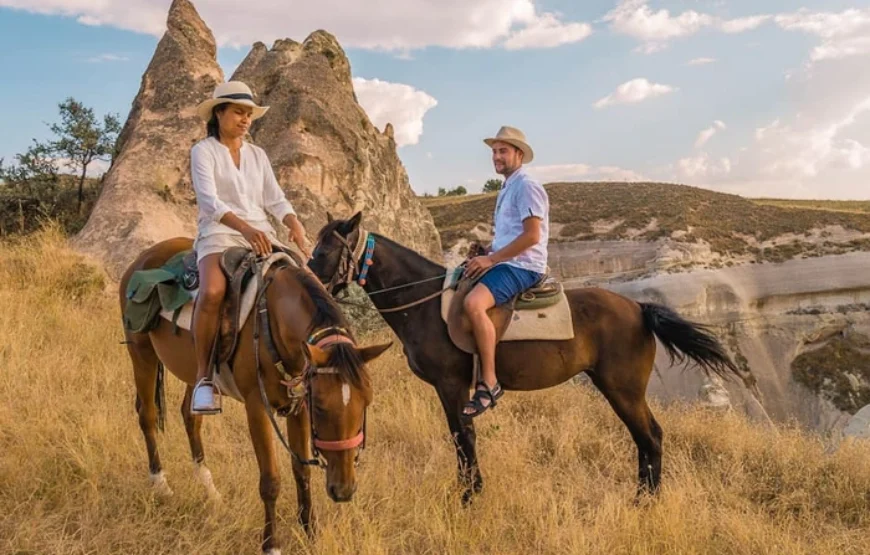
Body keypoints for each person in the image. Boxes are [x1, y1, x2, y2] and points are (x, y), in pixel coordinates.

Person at [189, 81, 310, 414]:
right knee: (213, 291)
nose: (245, 119)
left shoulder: (258, 155)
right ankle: (204, 379)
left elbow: (275, 198)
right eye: (239, 112)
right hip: (219, 234)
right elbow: (209, 201)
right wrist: (245, 227)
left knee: (305, 285)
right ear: (220, 113)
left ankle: (305, 370)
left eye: (249, 114)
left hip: (262, 235)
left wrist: (295, 226)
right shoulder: (204, 151)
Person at [462, 126, 549, 417]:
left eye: (503, 151)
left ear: (519, 154)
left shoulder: (526, 185)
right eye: (494, 152)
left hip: (523, 266)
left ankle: (489, 381)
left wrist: (492, 260)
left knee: (474, 304)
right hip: (506, 260)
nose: (497, 157)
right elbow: (511, 234)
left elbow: (532, 236)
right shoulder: (508, 185)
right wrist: (487, 252)